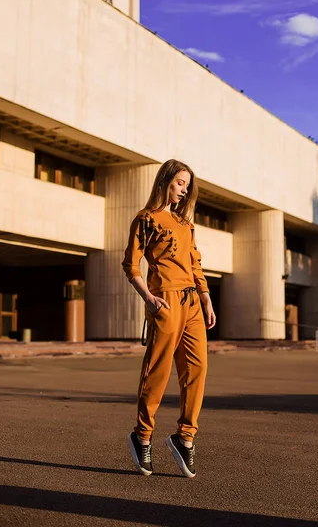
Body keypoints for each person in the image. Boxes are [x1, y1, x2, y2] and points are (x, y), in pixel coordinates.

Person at [122, 159, 216, 478]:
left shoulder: (185, 224)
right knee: (158, 371)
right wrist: (149, 298)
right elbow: (131, 265)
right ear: (164, 181)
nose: (184, 189)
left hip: (191, 302)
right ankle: (142, 436)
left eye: (187, 185)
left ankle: (185, 437)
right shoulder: (146, 219)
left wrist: (206, 298)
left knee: (197, 369)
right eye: (179, 183)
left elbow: (195, 262)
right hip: (165, 300)